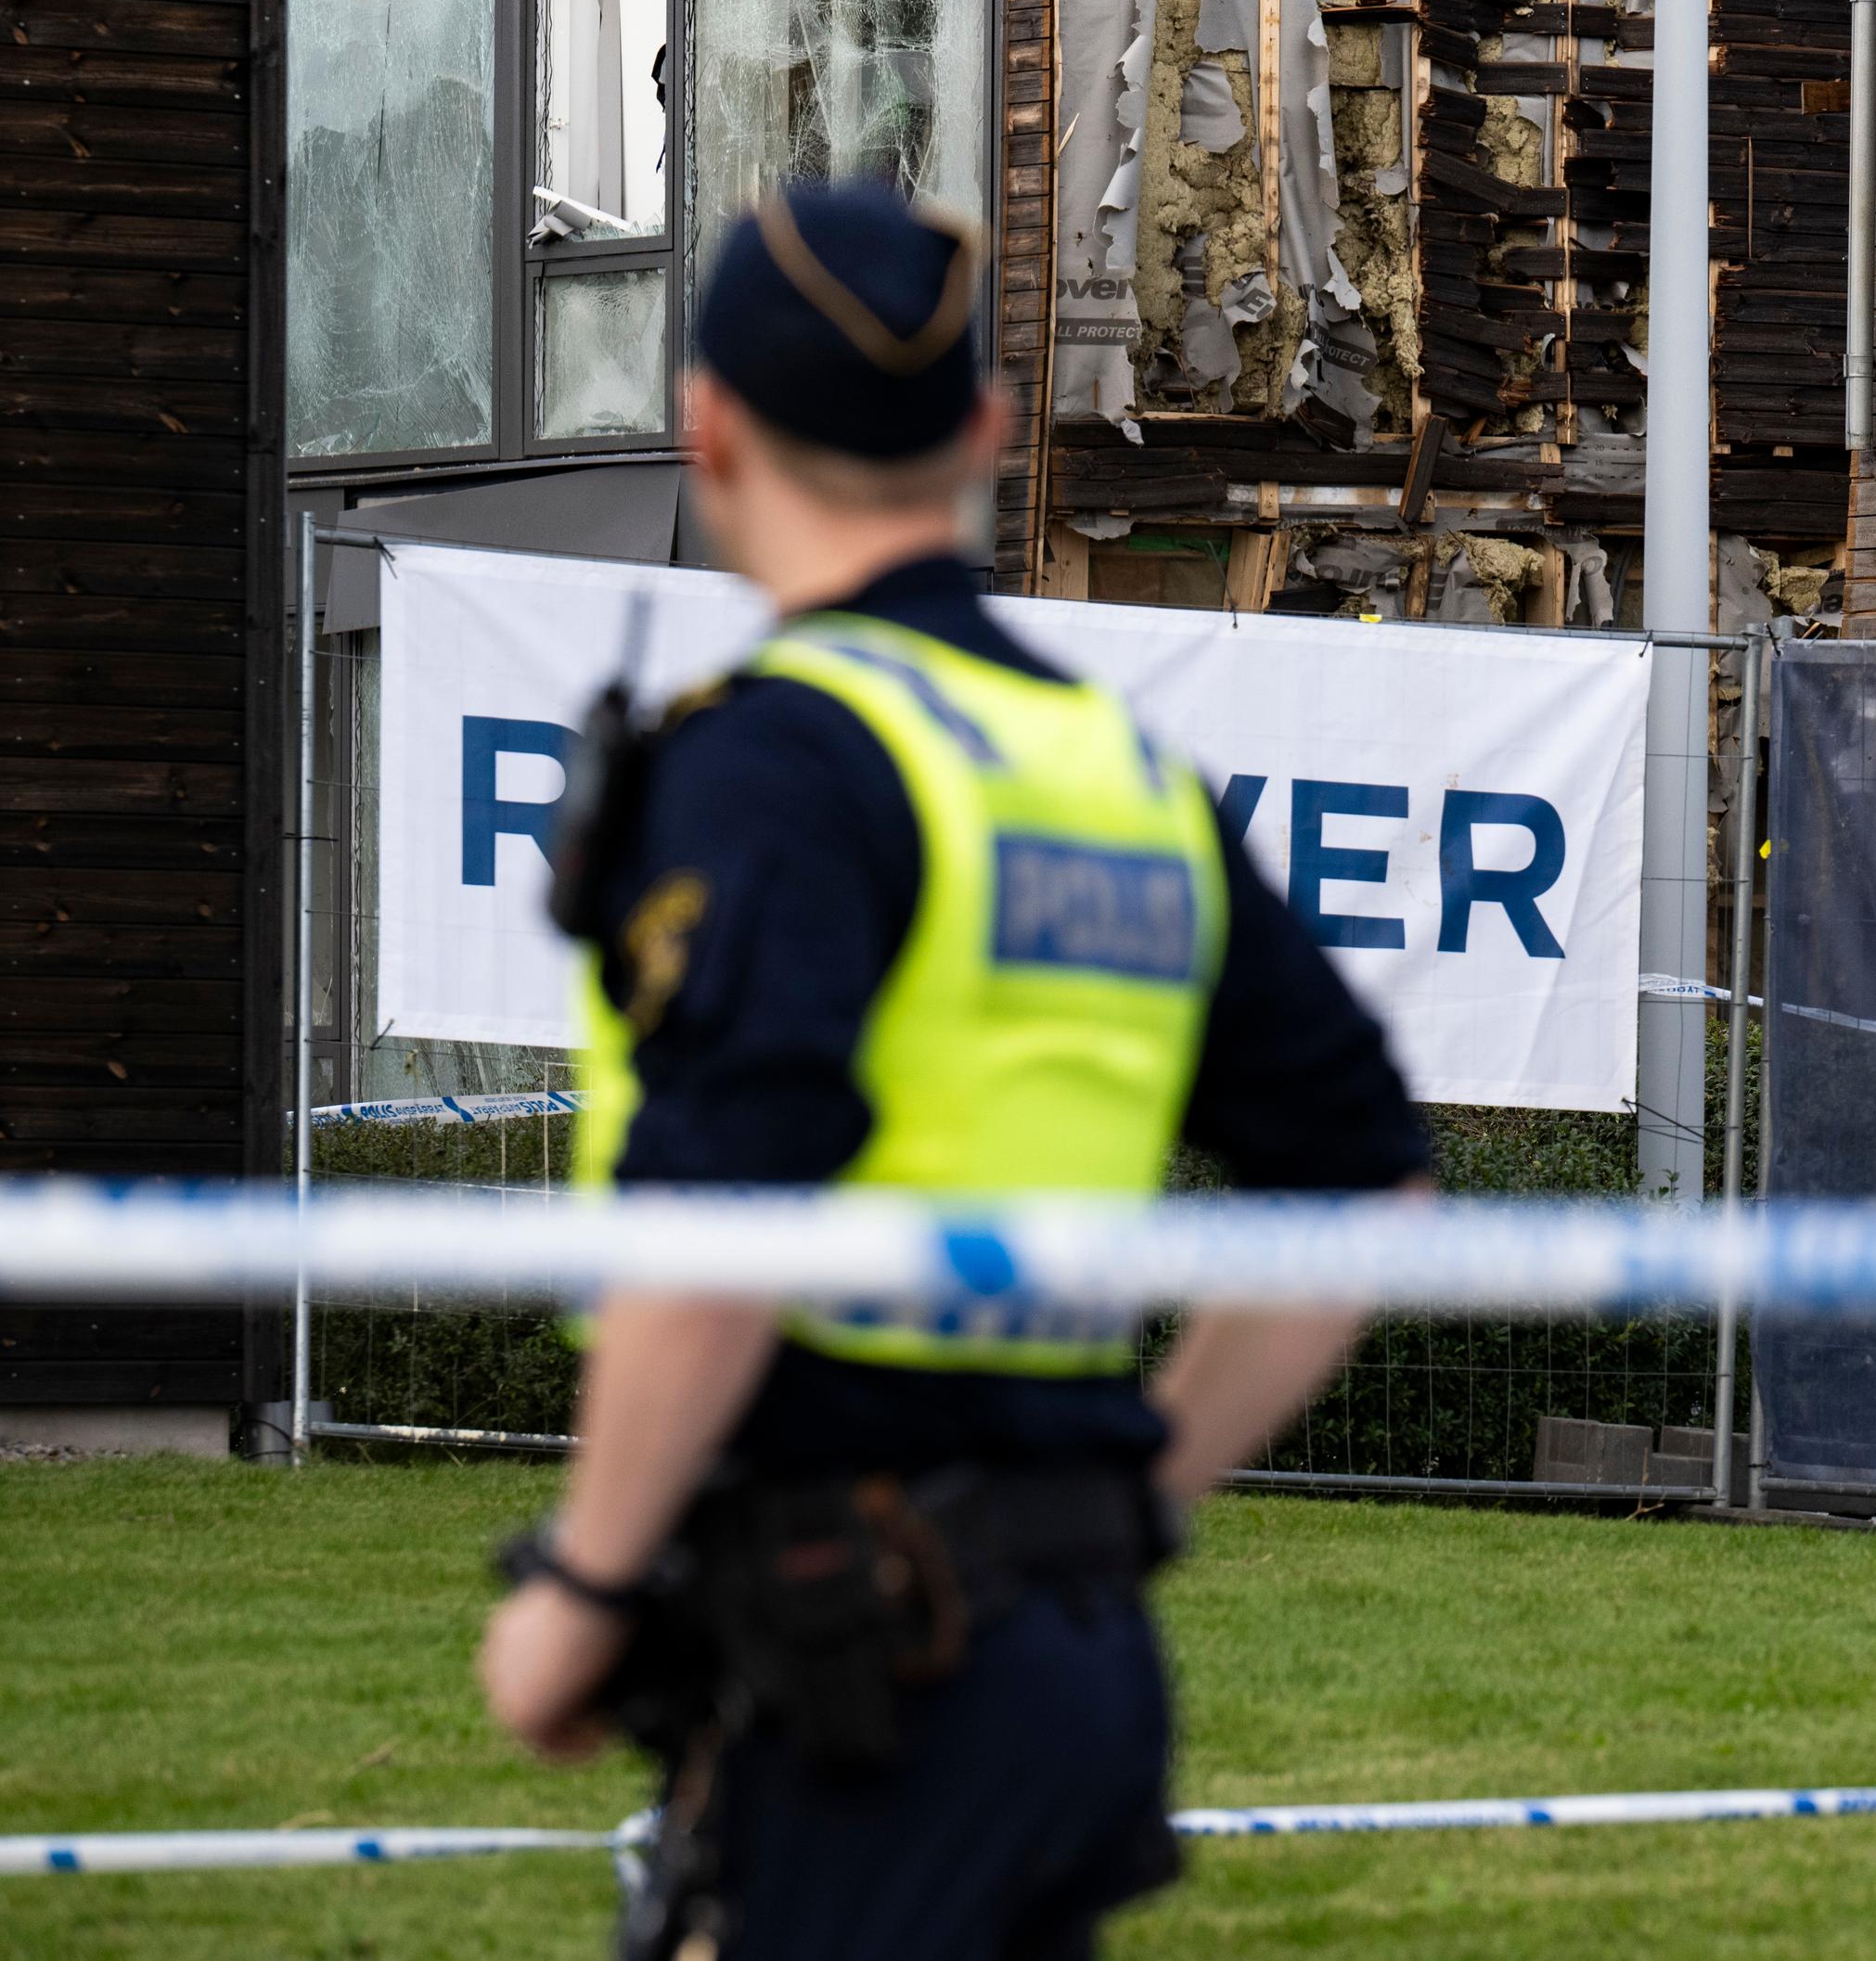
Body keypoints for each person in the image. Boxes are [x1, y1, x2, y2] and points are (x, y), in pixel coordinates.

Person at [475, 180, 1433, 1960]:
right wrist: (1132, 1496)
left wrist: (583, 1586)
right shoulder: (1119, 780)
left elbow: (723, 1214)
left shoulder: (784, 766)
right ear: (984, 434)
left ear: (710, 433)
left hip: (856, 1659)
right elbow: (1366, 1183)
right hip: (1063, 1664)